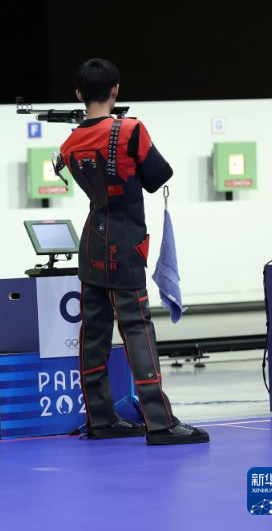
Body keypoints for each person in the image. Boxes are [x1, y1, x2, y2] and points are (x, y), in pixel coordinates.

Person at [59, 59, 209, 445]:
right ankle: (160, 423)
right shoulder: (130, 130)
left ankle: (100, 420)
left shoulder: (69, 144)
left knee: (93, 333)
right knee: (137, 330)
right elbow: (159, 177)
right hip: (124, 245)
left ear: (78, 94)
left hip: (91, 244)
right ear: (116, 90)